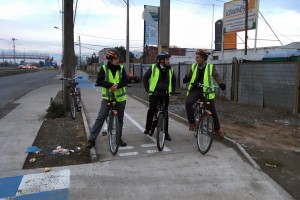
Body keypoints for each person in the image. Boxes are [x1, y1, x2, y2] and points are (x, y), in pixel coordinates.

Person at [86, 50, 128, 148]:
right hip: (107, 98)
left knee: (120, 119)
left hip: (120, 98)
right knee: (101, 117)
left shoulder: (121, 68)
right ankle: (91, 139)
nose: (118, 60)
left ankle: (118, 138)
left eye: (118, 59)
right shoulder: (104, 68)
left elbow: (126, 80)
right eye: (115, 59)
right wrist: (110, 85)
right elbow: (99, 81)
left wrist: (117, 85)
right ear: (110, 60)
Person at [183, 49, 226, 139]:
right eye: (196, 57)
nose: (196, 59)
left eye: (197, 57)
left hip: (206, 91)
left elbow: (216, 76)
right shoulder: (194, 66)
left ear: (203, 58)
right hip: (195, 90)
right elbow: (189, 75)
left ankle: (217, 130)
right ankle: (192, 123)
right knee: (188, 103)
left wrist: (221, 83)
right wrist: (186, 78)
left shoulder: (210, 67)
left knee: (212, 111)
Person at [143, 52, 176, 141]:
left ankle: (166, 132)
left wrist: (172, 90)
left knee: (165, 112)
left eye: (168, 59)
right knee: (152, 109)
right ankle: (148, 127)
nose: (168, 61)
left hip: (165, 93)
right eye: (167, 59)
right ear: (161, 60)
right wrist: (148, 89)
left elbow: (174, 80)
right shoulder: (153, 68)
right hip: (154, 93)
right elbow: (145, 77)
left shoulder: (170, 69)